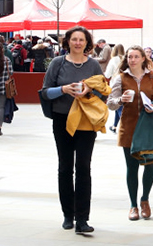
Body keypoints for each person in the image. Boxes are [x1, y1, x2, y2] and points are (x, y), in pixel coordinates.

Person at [41, 26, 105, 234]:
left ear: (87, 43)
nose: (78, 43)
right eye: (74, 39)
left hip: (86, 122)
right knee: (65, 167)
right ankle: (68, 214)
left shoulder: (94, 65)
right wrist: (63, 89)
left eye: (82, 39)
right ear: (67, 42)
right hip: (62, 120)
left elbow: (103, 93)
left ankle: (82, 219)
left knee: (84, 168)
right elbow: (44, 92)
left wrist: (88, 92)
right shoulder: (58, 63)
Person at [106, 46, 153, 221]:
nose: (132, 60)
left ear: (142, 59)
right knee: (131, 167)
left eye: (136, 57)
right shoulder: (120, 78)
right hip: (129, 126)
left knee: (150, 164)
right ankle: (133, 205)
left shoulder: (152, 76)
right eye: (130, 57)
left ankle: (145, 199)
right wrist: (120, 100)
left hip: (149, 127)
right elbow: (110, 103)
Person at [105, 44, 125, 133]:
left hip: (115, 84)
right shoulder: (126, 58)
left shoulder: (113, 60)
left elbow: (107, 74)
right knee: (119, 104)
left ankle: (125, 125)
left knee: (118, 105)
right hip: (126, 83)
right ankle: (114, 126)